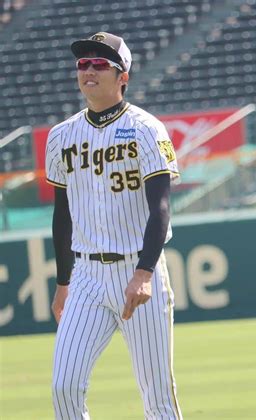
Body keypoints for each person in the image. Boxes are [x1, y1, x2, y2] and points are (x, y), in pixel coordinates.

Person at [46, 32, 182, 420]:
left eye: (100, 64)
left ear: (123, 76)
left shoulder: (147, 129)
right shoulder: (61, 136)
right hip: (86, 274)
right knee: (64, 387)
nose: (89, 70)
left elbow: (160, 208)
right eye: (83, 64)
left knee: (157, 399)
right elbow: (63, 215)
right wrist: (63, 282)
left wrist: (143, 272)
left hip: (137, 271)